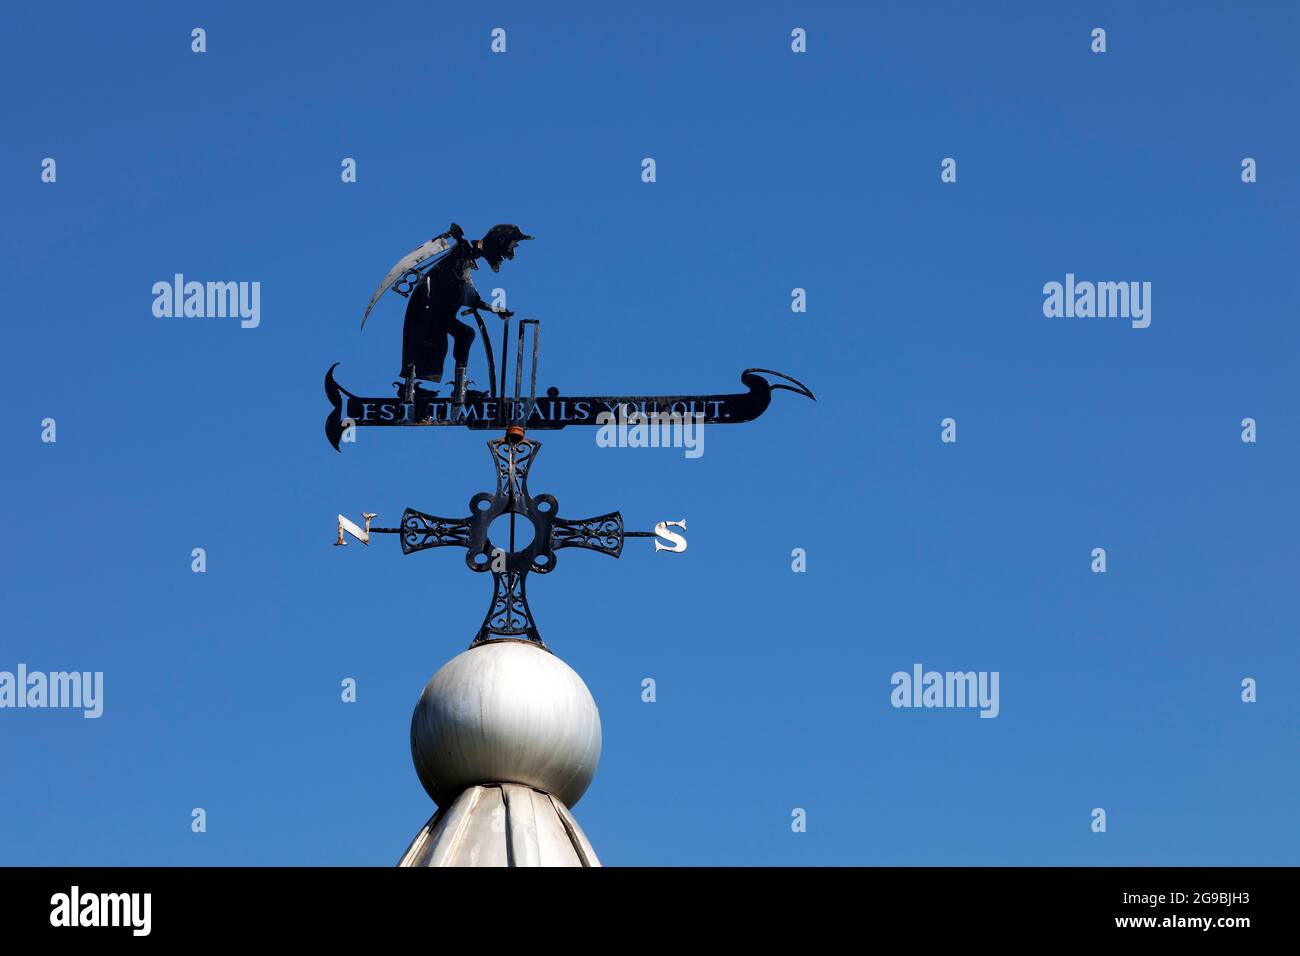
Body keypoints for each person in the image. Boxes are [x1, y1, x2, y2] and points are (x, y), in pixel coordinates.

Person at [398, 224, 533, 403]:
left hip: (437, 310)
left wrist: (494, 309)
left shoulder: (465, 255)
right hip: (428, 310)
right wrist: (491, 307)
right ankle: (423, 387)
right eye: (511, 247)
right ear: (499, 243)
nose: (510, 255)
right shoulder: (461, 254)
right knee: (452, 338)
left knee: (464, 335)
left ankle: (456, 386)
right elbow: (466, 290)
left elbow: (468, 293)